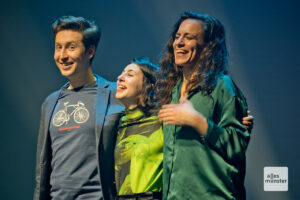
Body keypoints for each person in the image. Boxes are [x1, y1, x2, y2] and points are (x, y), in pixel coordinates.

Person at [158, 11, 251, 199]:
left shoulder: (221, 86)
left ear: (208, 48)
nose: (179, 43)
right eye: (177, 37)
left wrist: (198, 121)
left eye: (189, 37)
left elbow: (237, 147)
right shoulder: (173, 91)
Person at [34, 16, 123, 200]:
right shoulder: (50, 103)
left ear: (90, 51)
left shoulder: (116, 94)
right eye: (59, 47)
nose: (62, 55)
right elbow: (42, 169)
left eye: (71, 47)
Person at [114, 58, 163, 200]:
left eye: (130, 74)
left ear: (149, 85)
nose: (120, 78)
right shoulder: (117, 124)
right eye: (122, 73)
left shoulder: (162, 120)